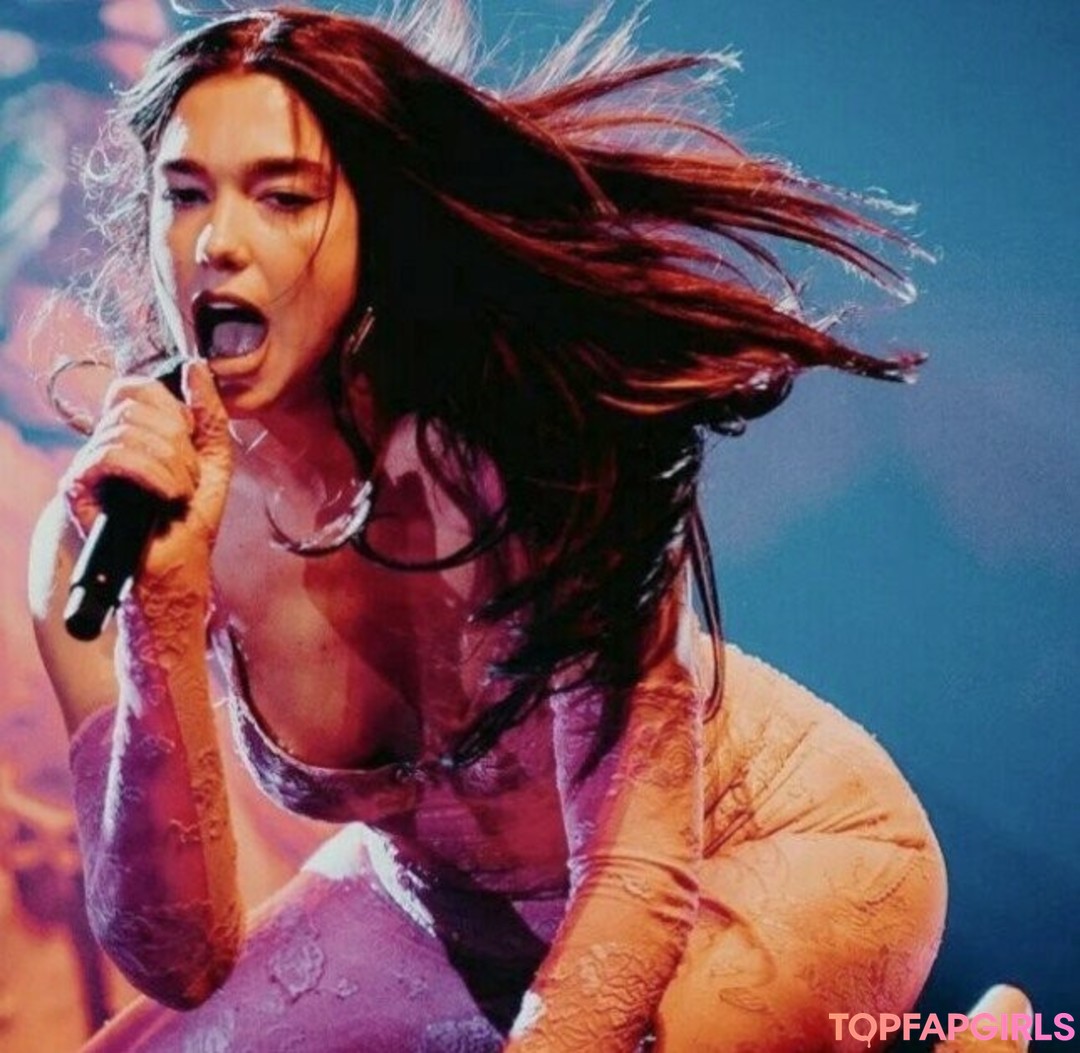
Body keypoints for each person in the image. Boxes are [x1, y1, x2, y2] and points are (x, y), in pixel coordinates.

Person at [28, 4, 953, 1050]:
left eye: (285, 198)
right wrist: (160, 618)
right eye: (185, 194)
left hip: (744, 850)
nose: (217, 244)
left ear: (380, 221)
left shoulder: (534, 444)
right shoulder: (95, 532)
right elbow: (179, 961)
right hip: (437, 907)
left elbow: (634, 869)